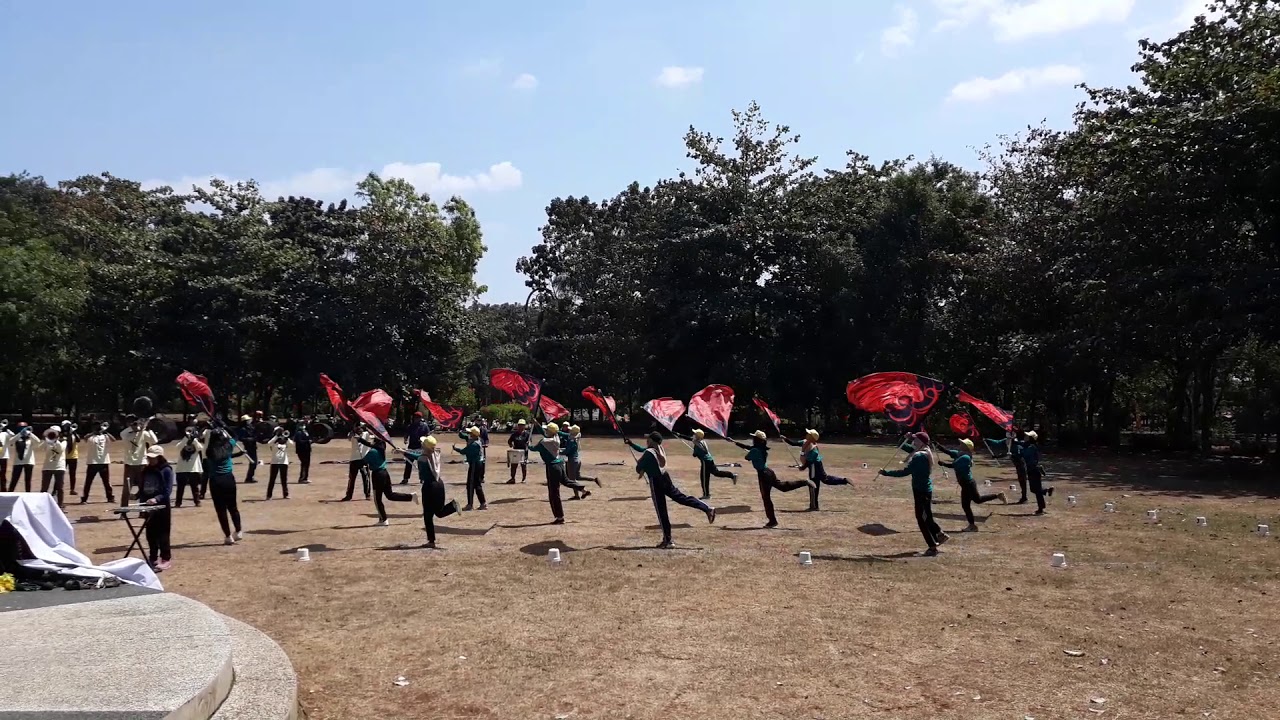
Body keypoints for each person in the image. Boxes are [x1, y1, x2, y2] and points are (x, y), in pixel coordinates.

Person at [624, 432, 715, 548]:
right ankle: (707, 508)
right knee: (681, 498)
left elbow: (639, 468)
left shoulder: (648, 452)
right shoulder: (658, 448)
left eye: (648, 439)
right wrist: (632, 444)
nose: (647, 441)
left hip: (656, 481)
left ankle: (668, 540)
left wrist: (642, 468)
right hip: (665, 477)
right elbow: (644, 451)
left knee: (661, 510)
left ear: (652, 441)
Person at [879, 432, 948, 556]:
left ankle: (932, 546)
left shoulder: (919, 456)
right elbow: (902, 445)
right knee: (927, 516)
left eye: (915, 440)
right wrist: (906, 438)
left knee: (921, 518)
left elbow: (905, 472)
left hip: (921, 490)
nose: (913, 442)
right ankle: (940, 534)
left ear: (921, 442)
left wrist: (886, 473)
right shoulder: (925, 451)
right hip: (925, 489)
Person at [730, 430, 814, 529]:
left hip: (763, 475)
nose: (753, 439)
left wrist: (750, 453)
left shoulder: (755, 450)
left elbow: (747, 457)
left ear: (757, 440)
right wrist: (734, 442)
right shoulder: (761, 449)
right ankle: (804, 482)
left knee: (766, 498)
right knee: (782, 487)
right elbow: (749, 448)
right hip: (769, 472)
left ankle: (772, 521)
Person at [937, 438, 1006, 531]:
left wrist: (944, 464)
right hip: (966, 483)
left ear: (966, 447)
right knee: (972, 502)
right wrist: (937, 445)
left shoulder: (966, 457)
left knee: (972, 502)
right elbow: (948, 451)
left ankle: (973, 525)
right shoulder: (960, 453)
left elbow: (954, 465)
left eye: (962, 443)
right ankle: (973, 525)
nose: (960, 444)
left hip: (968, 483)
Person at [404, 435, 460, 548]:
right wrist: (403, 451)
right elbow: (418, 455)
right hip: (439, 484)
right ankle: (453, 506)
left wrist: (404, 452)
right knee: (439, 512)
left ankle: (431, 541)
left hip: (430, 486)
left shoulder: (423, 458)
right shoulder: (435, 453)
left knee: (428, 515)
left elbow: (416, 456)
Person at [532, 422, 589, 523]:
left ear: (550, 432)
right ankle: (582, 489)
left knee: (554, 493)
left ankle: (559, 517)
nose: (545, 431)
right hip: (560, 464)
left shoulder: (544, 442)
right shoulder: (556, 437)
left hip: (552, 467)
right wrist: (537, 424)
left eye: (547, 430)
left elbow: (534, 448)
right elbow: (548, 433)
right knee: (566, 481)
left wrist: (527, 446)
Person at [783, 430, 851, 511]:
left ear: (812, 437)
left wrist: (803, 467)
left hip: (815, 466)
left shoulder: (814, 449)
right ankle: (815, 505)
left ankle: (814, 505)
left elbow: (809, 462)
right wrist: (785, 439)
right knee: (822, 481)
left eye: (809, 434)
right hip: (814, 465)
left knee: (814, 484)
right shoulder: (804, 442)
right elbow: (794, 443)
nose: (807, 434)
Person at [358, 435, 418, 526]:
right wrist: (361, 440)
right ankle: (410, 497)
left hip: (377, 475)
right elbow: (370, 445)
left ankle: (383, 519)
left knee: (377, 499)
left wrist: (360, 448)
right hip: (385, 473)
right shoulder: (381, 450)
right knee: (390, 495)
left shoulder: (373, 452)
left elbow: (362, 462)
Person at [204, 424, 246, 545]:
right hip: (228, 479)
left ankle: (228, 536)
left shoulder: (209, 451)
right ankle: (238, 531)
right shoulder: (228, 446)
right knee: (233, 507)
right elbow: (235, 435)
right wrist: (224, 425)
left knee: (221, 510)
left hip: (215, 481)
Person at [137, 445, 175, 571]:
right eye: (149, 458)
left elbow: (167, 491)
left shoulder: (166, 470)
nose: (150, 460)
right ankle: (153, 557)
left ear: (160, 457)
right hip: (148, 506)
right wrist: (137, 496)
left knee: (163, 533)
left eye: (153, 458)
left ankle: (165, 558)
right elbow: (143, 488)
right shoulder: (146, 470)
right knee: (150, 534)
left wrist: (156, 499)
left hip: (162, 506)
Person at [676, 428, 737, 500]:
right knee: (716, 473)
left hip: (705, 462)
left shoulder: (698, 445)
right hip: (709, 460)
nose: (693, 435)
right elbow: (690, 439)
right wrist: (679, 435)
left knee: (704, 478)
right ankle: (732, 475)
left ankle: (706, 494)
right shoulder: (701, 441)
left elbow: (695, 454)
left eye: (695, 434)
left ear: (697, 436)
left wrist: (694, 453)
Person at [121, 415, 158, 504]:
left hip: (142, 463)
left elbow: (154, 441)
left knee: (144, 487)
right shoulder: (125, 433)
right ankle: (124, 510)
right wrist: (134, 428)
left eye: (135, 422)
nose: (133, 425)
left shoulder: (144, 433)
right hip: (129, 464)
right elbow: (124, 435)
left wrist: (147, 429)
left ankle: (143, 510)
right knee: (127, 488)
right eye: (131, 423)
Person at [988, 430, 1029, 504]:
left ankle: (1024, 497)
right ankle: (1024, 497)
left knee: (1023, 480)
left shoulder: (1016, 443)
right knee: (1021, 480)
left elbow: (1017, 453)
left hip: (1021, 464)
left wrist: (998, 456)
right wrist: (987, 440)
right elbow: (997, 443)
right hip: (1017, 464)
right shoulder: (1007, 441)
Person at [453, 426, 488, 511]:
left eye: (470, 433)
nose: (469, 434)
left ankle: (470, 504)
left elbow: (464, 451)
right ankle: (483, 503)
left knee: (471, 485)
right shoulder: (478, 441)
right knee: (477, 484)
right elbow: (463, 436)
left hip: (474, 464)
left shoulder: (473, 444)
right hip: (478, 464)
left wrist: (455, 449)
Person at [80, 423, 115, 504]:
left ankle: (110, 497)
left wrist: (106, 432)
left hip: (104, 462)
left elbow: (113, 440)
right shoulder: (91, 437)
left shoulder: (105, 436)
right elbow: (84, 438)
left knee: (106, 482)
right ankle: (84, 498)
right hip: (92, 462)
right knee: (88, 482)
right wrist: (93, 433)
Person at [564, 425, 601, 497]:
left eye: (570, 430)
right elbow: (566, 434)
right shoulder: (576, 436)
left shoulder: (572, 440)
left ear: (573, 432)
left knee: (572, 480)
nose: (569, 431)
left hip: (572, 460)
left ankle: (577, 495)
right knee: (578, 477)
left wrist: (558, 451)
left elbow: (567, 451)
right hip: (578, 459)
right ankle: (594, 479)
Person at [1022, 430, 1052, 515]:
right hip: (1032, 469)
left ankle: (1041, 508)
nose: (1025, 437)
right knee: (1034, 489)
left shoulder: (1031, 447)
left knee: (1036, 490)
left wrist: (1018, 452)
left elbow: (1025, 454)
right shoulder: (1029, 446)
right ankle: (1046, 491)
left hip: (1034, 470)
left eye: (1027, 436)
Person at [173, 427, 204, 508]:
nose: (189, 433)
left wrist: (194, 439)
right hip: (182, 469)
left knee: (195, 487)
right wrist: (186, 438)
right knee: (180, 488)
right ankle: (178, 503)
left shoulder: (196, 442)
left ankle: (197, 502)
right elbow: (178, 447)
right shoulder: (183, 441)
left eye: (191, 431)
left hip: (193, 469)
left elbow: (200, 448)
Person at [342, 423, 373, 501]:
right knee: (352, 478)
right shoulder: (352, 435)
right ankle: (349, 495)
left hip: (364, 459)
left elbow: (373, 433)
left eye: (360, 428)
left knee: (366, 477)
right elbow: (349, 438)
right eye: (357, 428)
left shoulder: (366, 434)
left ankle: (367, 494)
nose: (359, 429)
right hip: (354, 459)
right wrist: (353, 430)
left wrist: (366, 426)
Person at [39, 426, 68, 508]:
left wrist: (55, 441)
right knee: (44, 488)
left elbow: (60, 449)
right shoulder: (47, 441)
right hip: (47, 467)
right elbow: (39, 447)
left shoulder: (63, 441)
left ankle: (60, 504)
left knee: (60, 488)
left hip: (59, 467)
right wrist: (45, 440)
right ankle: (41, 504)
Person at [6, 423, 36, 493]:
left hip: (29, 462)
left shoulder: (30, 439)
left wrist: (30, 434)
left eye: (24, 428)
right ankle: (10, 493)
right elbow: (11, 441)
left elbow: (38, 442)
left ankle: (28, 494)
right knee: (14, 479)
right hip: (18, 462)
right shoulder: (17, 438)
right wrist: (20, 434)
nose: (23, 429)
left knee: (28, 480)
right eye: (21, 428)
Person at [401, 413, 429, 484]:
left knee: (421, 464)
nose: (416, 419)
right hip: (411, 447)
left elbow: (428, 435)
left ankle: (422, 478)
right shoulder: (411, 426)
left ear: (420, 418)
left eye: (418, 417)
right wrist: (405, 439)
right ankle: (406, 478)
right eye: (415, 417)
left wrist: (425, 441)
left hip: (420, 447)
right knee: (408, 463)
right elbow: (406, 434)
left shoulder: (424, 426)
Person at [266, 427, 292, 500]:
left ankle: (286, 494)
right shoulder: (273, 443)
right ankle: (269, 495)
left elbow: (292, 444)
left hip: (284, 462)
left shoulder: (285, 442)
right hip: (275, 462)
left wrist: (287, 438)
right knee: (272, 479)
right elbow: (269, 443)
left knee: (284, 479)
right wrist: (276, 436)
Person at [235, 416, 260, 483]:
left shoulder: (251, 427)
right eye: (248, 420)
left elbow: (255, 434)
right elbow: (240, 438)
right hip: (248, 447)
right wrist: (249, 439)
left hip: (253, 446)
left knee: (254, 463)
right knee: (253, 462)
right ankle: (249, 478)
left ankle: (250, 477)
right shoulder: (242, 429)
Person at [506, 419, 531, 484]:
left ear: (524, 426)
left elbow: (530, 442)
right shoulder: (514, 434)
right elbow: (509, 441)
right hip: (516, 451)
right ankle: (512, 478)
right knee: (514, 465)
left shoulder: (527, 434)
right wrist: (511, 444)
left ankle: (524, 479)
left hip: (523, 452)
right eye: (519, 425)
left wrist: (528, 443)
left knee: (523, 465)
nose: (521, 427)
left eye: (522, 425)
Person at [61, 421, 80, 496]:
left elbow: (78, 440)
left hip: (73, 456)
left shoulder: (74, 434)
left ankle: (72, 489)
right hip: (63, 456)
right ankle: (57, 489)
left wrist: (73, 432)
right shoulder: (62, 435)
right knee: (61, 474)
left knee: (72, 474)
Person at [293, 420, 312, 484]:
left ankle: (305, 477)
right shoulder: (298, 433)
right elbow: (299, 441)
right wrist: (307, 441)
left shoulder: (306, 432)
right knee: (304, 464)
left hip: (307, 450)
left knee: (307, 464)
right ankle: (302, 478)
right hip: (302, 450)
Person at [0, 420, 11, 488]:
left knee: (3, 473)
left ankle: (3, 488)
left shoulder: (5, 434)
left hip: (4, 456)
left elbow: (12, 436)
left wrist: (6, 429)